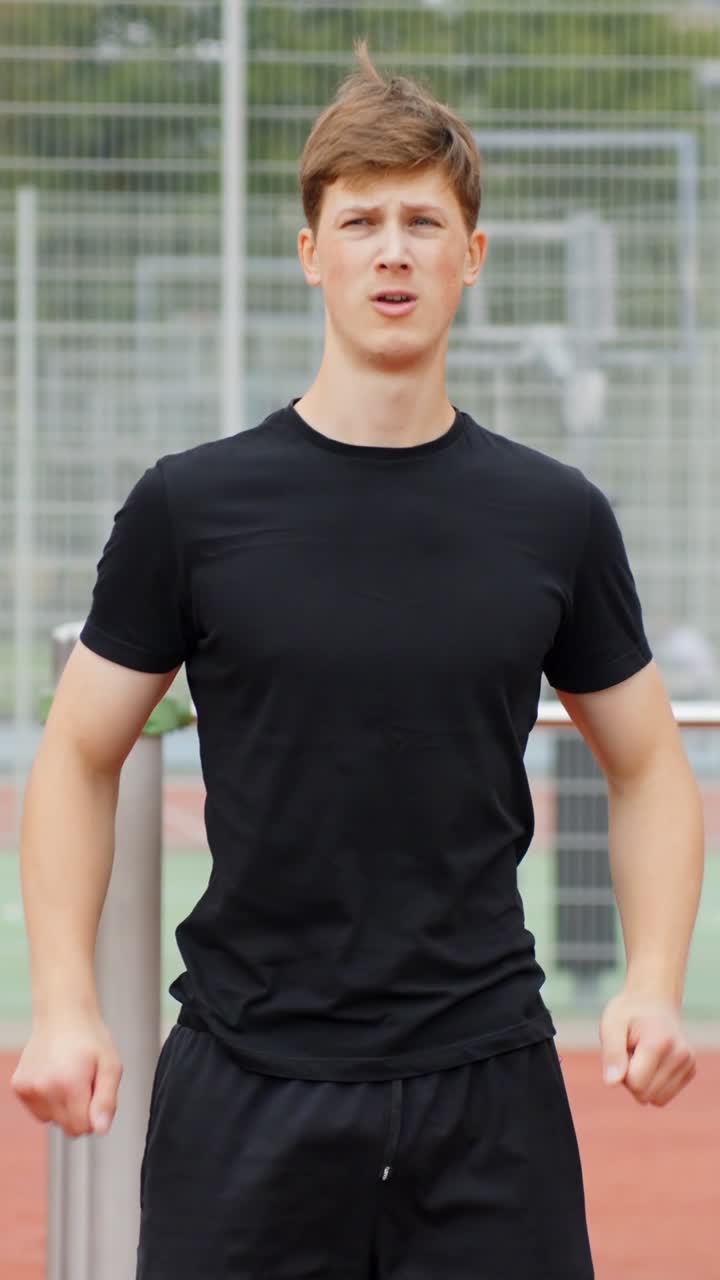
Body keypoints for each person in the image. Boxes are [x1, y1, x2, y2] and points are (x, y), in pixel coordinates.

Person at [12, 39, 704, 1280]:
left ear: (472, 258)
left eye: (425, 222)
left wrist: (653, 978)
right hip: (249, 1086)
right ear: (311, 254)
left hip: (487, 1086)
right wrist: (62, 998)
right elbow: (76, 752)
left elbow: (650, 762)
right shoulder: (192, 506)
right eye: (364, 219)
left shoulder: (555, 516)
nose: (395, 248)